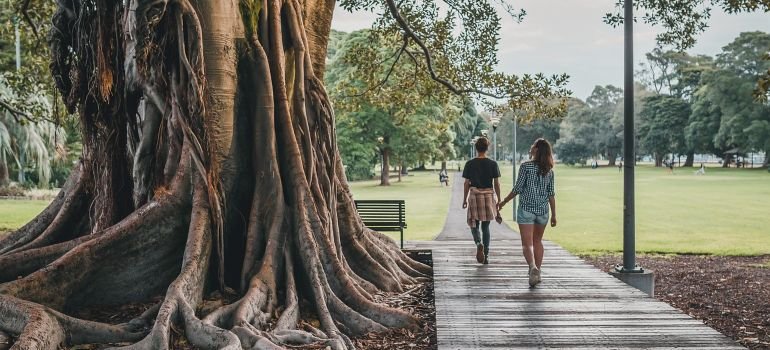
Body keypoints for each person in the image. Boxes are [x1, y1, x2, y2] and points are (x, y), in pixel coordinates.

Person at [498, 138, 557, 287]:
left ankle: (532, 268)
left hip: (526, 210)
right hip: (543, 211)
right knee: (537, 241)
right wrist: (554, 214)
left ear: (536, 150)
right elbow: (551, 194)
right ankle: (538, 272)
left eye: (533, 146)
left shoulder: (525, 167)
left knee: (527, 243)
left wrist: (504, 202)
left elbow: (517, 189)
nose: (530, 148)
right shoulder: (549, 170)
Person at [462, 137, 501, 265]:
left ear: (476, 148)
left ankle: (479, 243)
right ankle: (486, 255)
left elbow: (466, 183)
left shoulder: (470, 163)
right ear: (487, 148)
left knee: (473, 224)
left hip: (474, 196)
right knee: (486, 226)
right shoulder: (493, 164)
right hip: (488, 196)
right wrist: (499, 199)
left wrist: (464, 199)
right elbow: (497, 183)